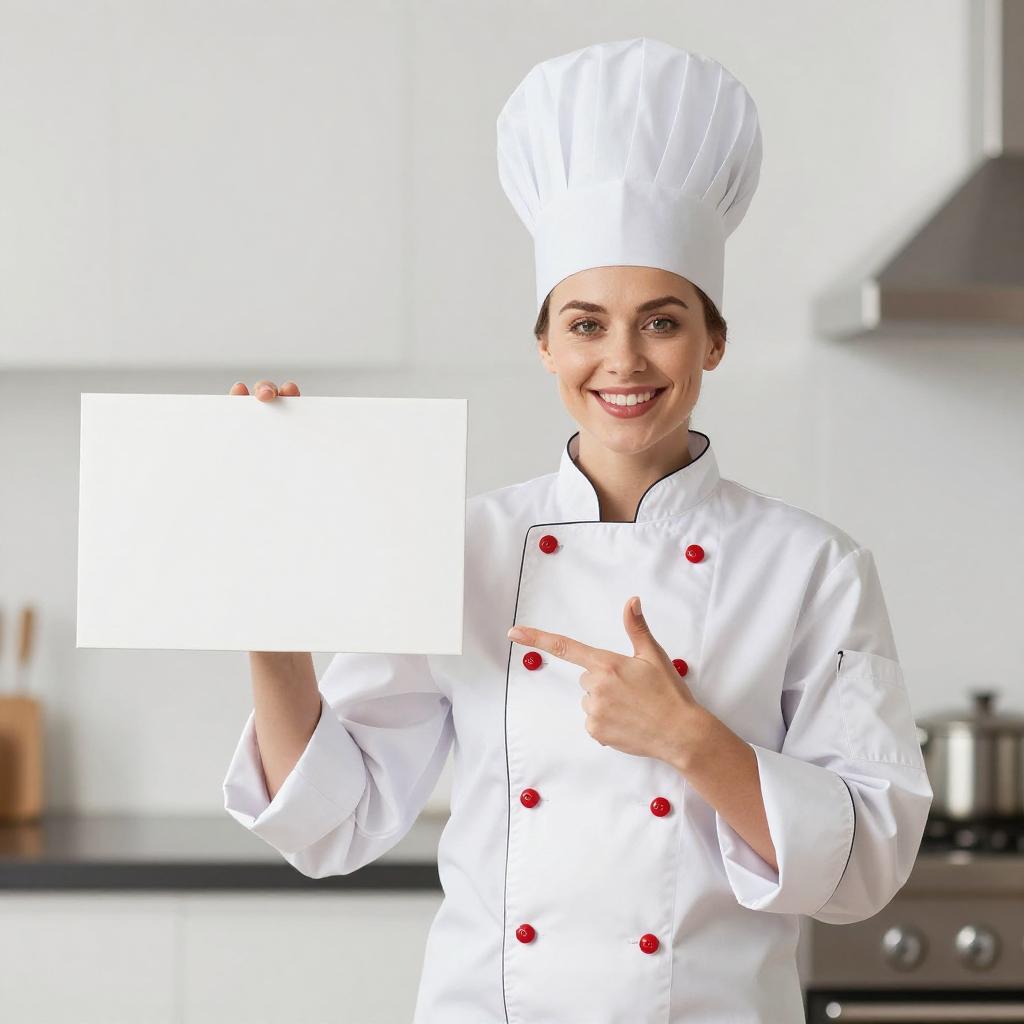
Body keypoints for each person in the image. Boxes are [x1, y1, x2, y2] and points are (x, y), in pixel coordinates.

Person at [222, 37, 932, 1023]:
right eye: (588, 323)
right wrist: (271, 619)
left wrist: (690, 740)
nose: (624, 360)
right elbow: (331, 817)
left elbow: (871, 856)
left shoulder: (810, 567)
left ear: (713, 338)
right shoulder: (463, 547)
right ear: (546, 340)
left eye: (663, 320)